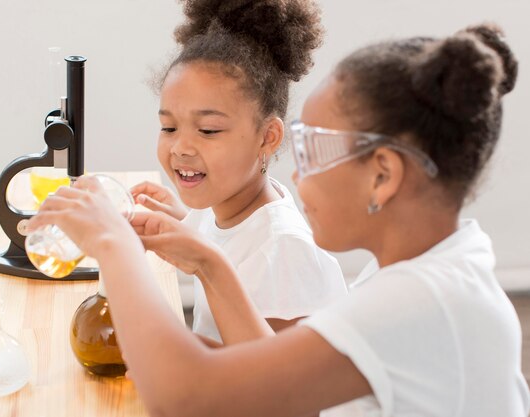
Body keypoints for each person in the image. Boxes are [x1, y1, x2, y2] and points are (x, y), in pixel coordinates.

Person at [28, 22, 530, 417]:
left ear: (383, 175)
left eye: (312, 150)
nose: (296, 172)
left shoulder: (423, 304)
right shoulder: (429, 272)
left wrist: (114, 246)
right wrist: (204, 258)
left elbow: (187, 398)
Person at [129, 0, 345, 341]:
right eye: (169, 128)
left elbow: (272, 382)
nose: (181, 147)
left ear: (267, 137)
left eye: (209, 130)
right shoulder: (227, 205)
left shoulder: (283, 251)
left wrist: (172, 351)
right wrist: (181, 219)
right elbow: (229, 241)